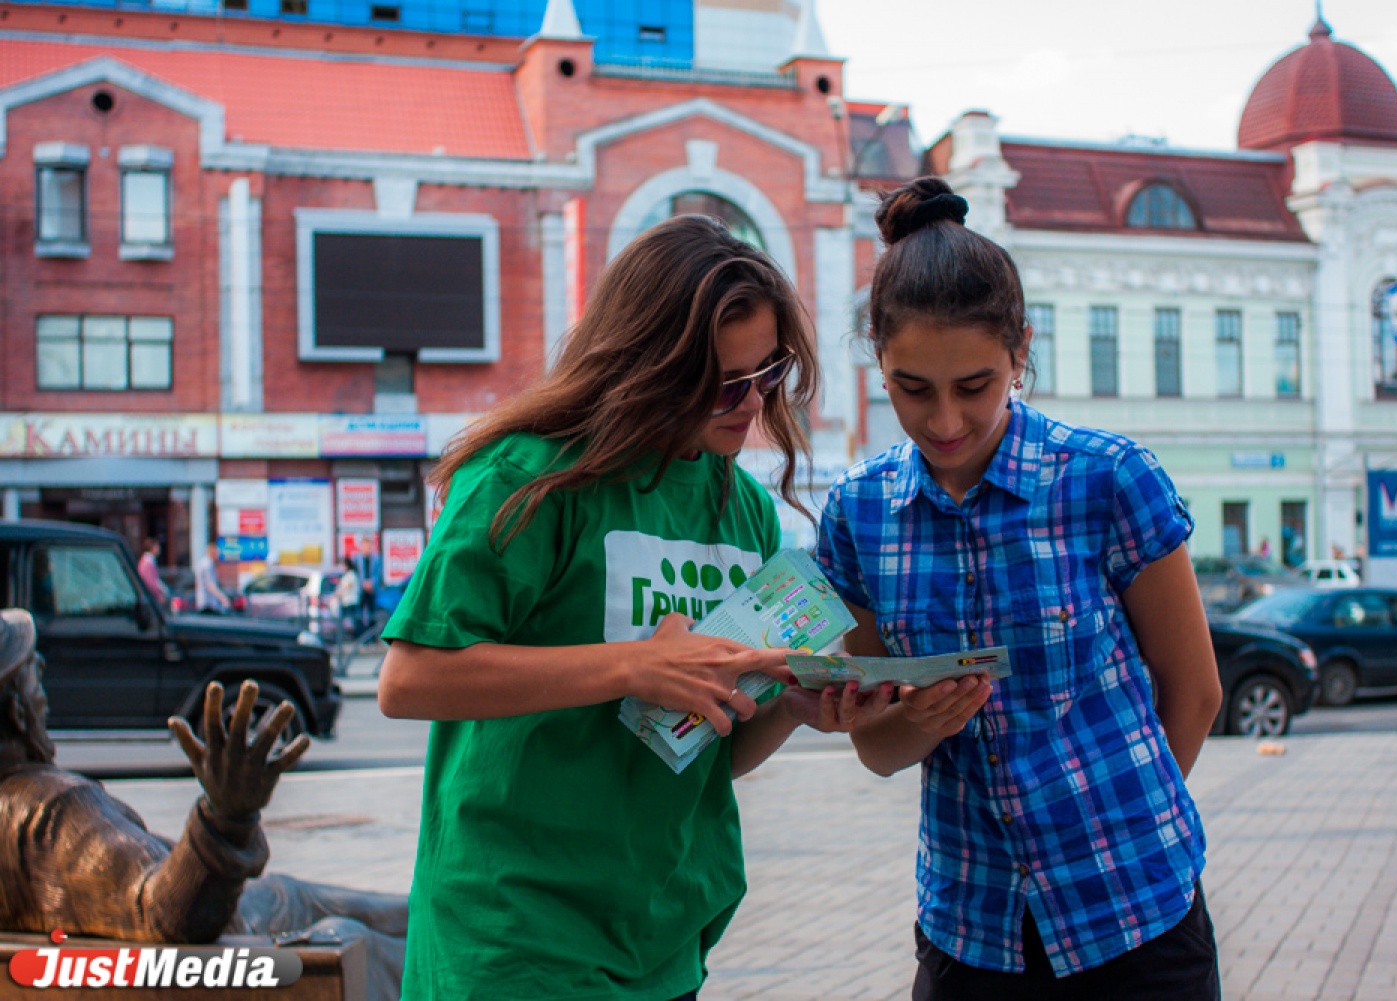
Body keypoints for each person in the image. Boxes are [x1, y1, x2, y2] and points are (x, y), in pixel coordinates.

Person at [376, 215, 890, 1001]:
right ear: (648, 364)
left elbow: (703, 747)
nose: (753, 401)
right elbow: (410, 680)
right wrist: (634, 666)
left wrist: (792, 707)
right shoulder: (526, 478)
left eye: (769, 371)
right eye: (724, 382)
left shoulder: (745, 511)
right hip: (517, 943)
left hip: (666, 938)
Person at [815, 178, 1224, 1001]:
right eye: (912, 388)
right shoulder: (858, 512)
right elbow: (877, 748)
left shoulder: (1108, 478)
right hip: (971, 928)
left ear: (1020, 352)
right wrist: (915, 721)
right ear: (877, 359)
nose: (945, 422)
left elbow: (1196, 691)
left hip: (1136, 914)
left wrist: (1124, 836)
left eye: (975, 385)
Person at [0, 608, 408, 1001]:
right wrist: (226, 817)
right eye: (34, 674)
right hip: (232, 946)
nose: (45, 688)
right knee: (363, 938)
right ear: (17, 712)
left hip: (225, 919)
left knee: (343, 903)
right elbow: (169, 913)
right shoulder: (53, 811)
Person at [351, 537, 381, 629]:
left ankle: (372, 633)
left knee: (373, 613)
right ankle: (361, 633)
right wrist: (363, 583)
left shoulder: (376, 559)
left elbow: (379, 573)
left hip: (372, 590)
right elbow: (354, 574)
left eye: (368, 546)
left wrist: (372, 583)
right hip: (360, 590)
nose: (366, 548)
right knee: (359, 613)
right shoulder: (356, 559)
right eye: (364, 546)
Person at [194, 542, 232, 614]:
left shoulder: (203, 563)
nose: (218, 556)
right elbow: (210, 585)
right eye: (217, 553)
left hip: (203, 601)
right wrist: (223, 598)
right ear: (213, 553)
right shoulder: (208, 565)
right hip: (208, 603)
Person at [137, 537, 167, 604]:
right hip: (150, 595)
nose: (159, 549)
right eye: (157, 547)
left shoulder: (148, 560)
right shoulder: (148, 562)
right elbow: (151, 581)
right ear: (152, 548)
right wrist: (159, 595)